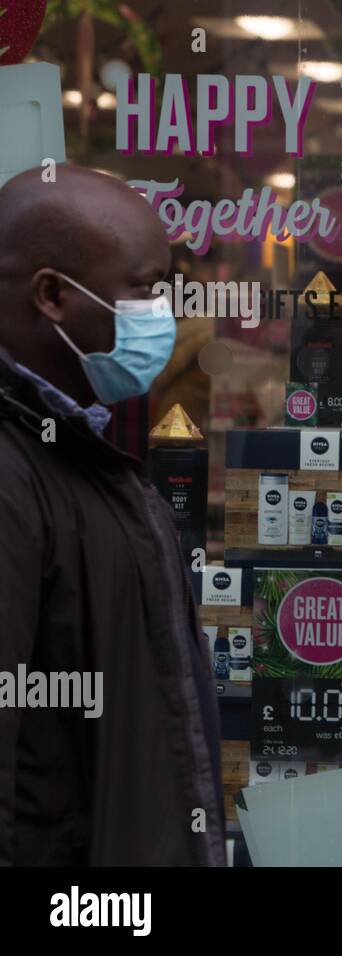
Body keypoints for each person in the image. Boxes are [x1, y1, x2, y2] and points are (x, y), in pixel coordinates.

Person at [0, 165, 224, 865]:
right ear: (54, 296)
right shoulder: (15, 474)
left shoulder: (76, 448)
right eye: (145, 287)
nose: (164, 311)